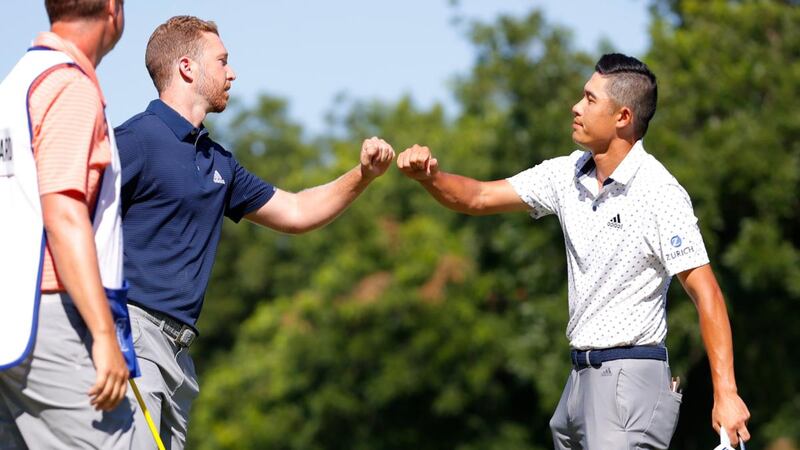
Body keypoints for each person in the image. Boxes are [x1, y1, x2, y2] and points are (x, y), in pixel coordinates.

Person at [397, 53, 750, 449]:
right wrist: (429, 177)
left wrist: (726, 392)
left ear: (623, 117)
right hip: (577, 385)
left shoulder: (659, 193)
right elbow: (477, 197)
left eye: (589, 99)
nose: (576, 107)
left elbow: (707, 293)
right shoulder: (566, 174)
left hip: (628, 384)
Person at [115, 15, 395, 448]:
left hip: (180, 357)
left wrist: (362, 176)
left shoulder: (218, 161)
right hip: (132, 337)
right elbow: (67, 216)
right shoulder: (134, 140)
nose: (232, 72)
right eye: (222, 61)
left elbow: (298, 210)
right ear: (187, 67)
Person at [0, 0, 136, 448]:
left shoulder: (17, 82)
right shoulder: (68, 87)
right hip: (49, 317)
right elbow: (62, 211)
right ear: (113, 9)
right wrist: (103, 335)